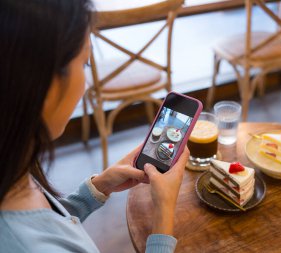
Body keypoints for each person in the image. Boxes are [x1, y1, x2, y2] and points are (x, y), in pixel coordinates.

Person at [0, 0, 187, 252]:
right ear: (41, 83)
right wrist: (164, 214)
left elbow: (50, 226)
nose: (87, 84)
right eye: (85, 63)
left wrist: (97, 188)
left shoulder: (12, 168)